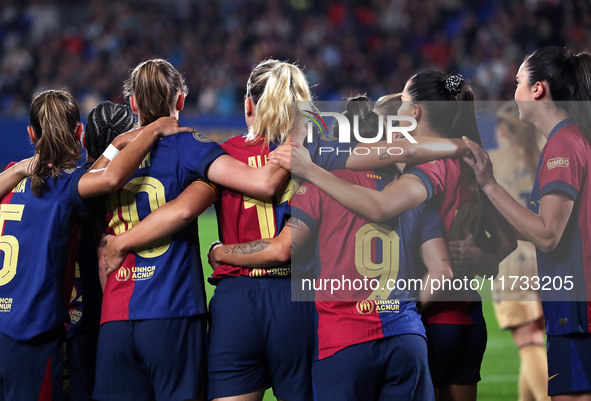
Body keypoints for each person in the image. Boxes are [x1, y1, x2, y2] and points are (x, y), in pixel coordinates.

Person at [269, 71, 516, 401]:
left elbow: (381, 206)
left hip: (427, 317)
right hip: (468, 316)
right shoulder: (472, 163)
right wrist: (481, 258)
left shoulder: (426, 170)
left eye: (403, 98)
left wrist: (314, 170)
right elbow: (504, 244)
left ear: (415, 112)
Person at [207, 96, 453, 401]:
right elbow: (442, 271)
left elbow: (282, 249)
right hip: (406, 337)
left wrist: (220, 252)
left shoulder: (319, 188)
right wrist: (404, 311)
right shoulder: (411, 197)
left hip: (343, 340)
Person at [0, 89, 189, 401]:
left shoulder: (12, 178)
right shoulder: (66, 185)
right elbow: (111, 177)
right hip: (31, 332)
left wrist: (19, 168)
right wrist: (153, 128)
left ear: (31, 133)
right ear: (79, 133)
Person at [462, 46, 591, 400]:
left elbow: (548, 235)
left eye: (519, 82)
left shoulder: (563, 143)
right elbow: (551, 230)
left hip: (576, 301)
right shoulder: (569, 138)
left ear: (538, 89)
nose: (514, 92)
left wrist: (489, 184)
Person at [449, 101, 550, 401]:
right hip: (545, 261)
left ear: (503, 129)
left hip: (514, 264)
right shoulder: (545, 157)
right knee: (534, 341)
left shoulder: (491, 161)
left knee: (528, 340)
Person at [66, 100, 136, 401]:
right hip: (126, 314)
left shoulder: (67, 188)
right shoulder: (140, 187)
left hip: (69, 319)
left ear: (83, 138)